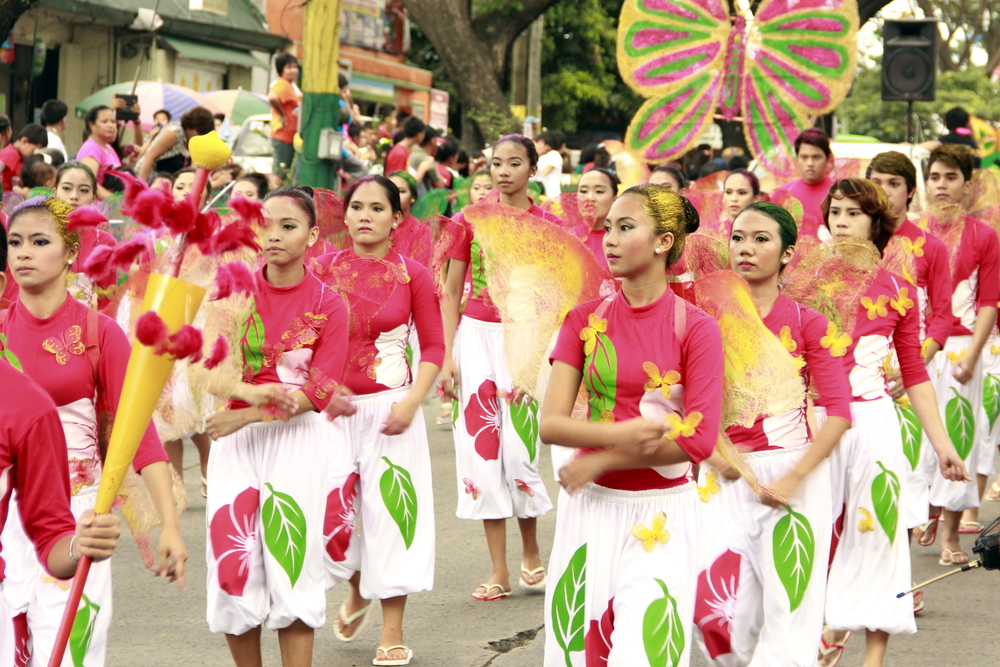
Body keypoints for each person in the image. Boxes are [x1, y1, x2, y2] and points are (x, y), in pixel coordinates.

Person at [786, 178, 968, 667]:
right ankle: (821, 628)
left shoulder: (897, 286)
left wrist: (944, 445)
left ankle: (873, 658)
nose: (841, 220)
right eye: (836, 211)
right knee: (811, 534)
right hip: (810, 422)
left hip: (872, 425)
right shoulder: (799, 279)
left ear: (876, 224)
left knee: (877, 538)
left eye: (853, 213)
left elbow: (914, 372)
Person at [1, 196, 187, 667]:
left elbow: (137, 433)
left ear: (69, 253)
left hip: (78, 515)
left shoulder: (99, 333)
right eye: (15, 242)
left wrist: (170, 526)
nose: (23, 252)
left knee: (72, 655)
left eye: (39, 242)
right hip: (7, 513)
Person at [540, 185, 721, 666]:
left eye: (626, 227)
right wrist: (618, 436)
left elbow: (698, 440)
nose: (609, 239)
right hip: (591, 508)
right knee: (579, 653)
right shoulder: (583, 320)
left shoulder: (697, 328)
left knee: (647, 655)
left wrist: (605, 456)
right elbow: (551, 424)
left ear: (663, 242)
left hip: (662, 512)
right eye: (609, 228)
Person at [693, 202, 851, 667]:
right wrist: (720, 456)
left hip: (792, 478)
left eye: (761, 239)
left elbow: (838, 412)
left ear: (786, 254)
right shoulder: (704, 320)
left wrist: (793, 479)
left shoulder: (807, 323)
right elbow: (692, 403)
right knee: (717, 616)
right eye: (738, 237)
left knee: (789, 614)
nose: (745, 248)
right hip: (723, 475)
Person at [203, 185, 348, 667]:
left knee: (292, 565)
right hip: (235, 443)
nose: (275, 235)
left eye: (289, 226)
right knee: (233, 565)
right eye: (266, 224)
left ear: (312, 235)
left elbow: (319, 390)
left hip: (296, 441)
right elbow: (207, 367)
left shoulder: (330, 303)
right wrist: (244, 396)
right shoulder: (231, 292)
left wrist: (246, 413)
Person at [311, 175, 443, 667]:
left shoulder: (415, 277)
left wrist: (411, 403)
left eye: (377, 208)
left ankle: (392, 631)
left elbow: (432, 347)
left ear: (396, 218)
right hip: (326, 412)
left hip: (391, 411)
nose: (365, 215)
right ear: (344, 217)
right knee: (331, 522)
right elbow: (299, 343)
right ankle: (357, 584)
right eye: (357, 207)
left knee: (392, 518)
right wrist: (319, 393)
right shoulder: (318, 271)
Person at [439, 135, 558, 602]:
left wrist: (541, 353)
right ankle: (499, 570)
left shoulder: (548, 222)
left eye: (514, 163)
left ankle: (532, 553)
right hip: (475, 337)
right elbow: (450, 291)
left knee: (518, 451)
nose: (503, 171)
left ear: (533, 169)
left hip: (527, 336)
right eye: (495, 163)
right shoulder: (469, 220)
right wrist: (446, 355)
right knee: (481, 453)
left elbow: (555, 293)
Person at [866, 152, 953, 570]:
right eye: (876, 181)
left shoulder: (929, 247)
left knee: (909, 468)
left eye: (893, 183)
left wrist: (911, 363)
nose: (884, 190)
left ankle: (896, 567)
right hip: (863, 376)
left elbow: (942, 315)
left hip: (913, 369)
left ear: (910, 191)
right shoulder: (852, 248)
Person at [920, 145, 1000, 562]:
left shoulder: (984, 237)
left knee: (959, 436)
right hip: (917, 351)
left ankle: (950, 537)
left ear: (967, 187)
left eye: (951, 178)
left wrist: (972, 355)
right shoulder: (912, 234)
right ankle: (925, 513)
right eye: (935, 177)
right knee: (916, 442)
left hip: (960, 350)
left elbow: (989, 301)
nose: (941, 185)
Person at [771, 128, 835, 239]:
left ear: (827, 159)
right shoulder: (782, 194)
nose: (810, 163)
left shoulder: (840, 193)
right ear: (797, 160)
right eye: (804, 157)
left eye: (816, 157)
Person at [136, 106, 216, 182]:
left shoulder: (187, 139)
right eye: (199, 132)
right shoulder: (175, 132)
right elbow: (150, 156)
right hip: (147, 176)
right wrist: (141, 184)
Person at [574, 167, 620, 270]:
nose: (590, 198)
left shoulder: (625, 240)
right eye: (583, 191)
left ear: (615, 199)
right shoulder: (565, 237)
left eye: (599, 191)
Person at [268, 53, 303, 182]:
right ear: (281, 70)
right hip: (283, 135)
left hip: (288, 137)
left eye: (295, 67)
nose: (293, 70)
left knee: (282, 171)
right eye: (289, 67)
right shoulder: (282, 84)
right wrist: (282, 114)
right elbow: (272, 97)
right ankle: (271, 199)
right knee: (279, 172)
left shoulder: (290, 85)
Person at [76, 106, 122, 200]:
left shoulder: (108, 147)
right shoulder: (91, 148)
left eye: (113, 122)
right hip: (98, 208)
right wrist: (115, 201)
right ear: (92, 125)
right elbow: (88, 182)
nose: (110, 125)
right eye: (104, 121)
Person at [0, 123, 46, 192]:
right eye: (33, 150)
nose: (33, 154)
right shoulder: (12, 153)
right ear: (24, 141)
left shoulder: (20, 157)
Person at [532, 131, 563, 199]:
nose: (546, 151)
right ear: (542, 142)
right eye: (547, 149)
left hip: (551, 197)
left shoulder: (554, 155)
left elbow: (542, 175)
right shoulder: (536, 156)